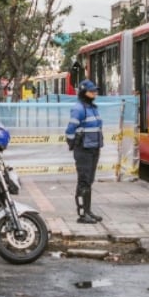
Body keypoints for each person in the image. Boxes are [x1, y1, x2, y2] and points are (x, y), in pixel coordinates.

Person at [63, 80, 105, 225]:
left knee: (89, 181)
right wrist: (73, 144)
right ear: (83, 92)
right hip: (84, 150)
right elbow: (70, 130)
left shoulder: (92, 108)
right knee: (83, 182)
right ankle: (82, 214)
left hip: (94, 148)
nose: (95, 93)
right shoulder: (79, 108)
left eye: (95, 91)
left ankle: (88, 211)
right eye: (91, 91)